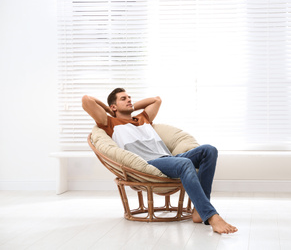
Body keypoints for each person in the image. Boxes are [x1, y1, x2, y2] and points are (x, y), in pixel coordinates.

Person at [82, 88, 238, 234]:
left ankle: (199, 210)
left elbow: (156, 100)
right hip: (150, 163)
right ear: (113, 107)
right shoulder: (109, 123)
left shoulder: (142, 118)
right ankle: (211, 216)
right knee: (185, 164)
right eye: (124, 99)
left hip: (170, 159)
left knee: (209, 150)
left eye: (130, 97)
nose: (129, 100)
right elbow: (87, 100)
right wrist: (109, 111)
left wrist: (131, 106)